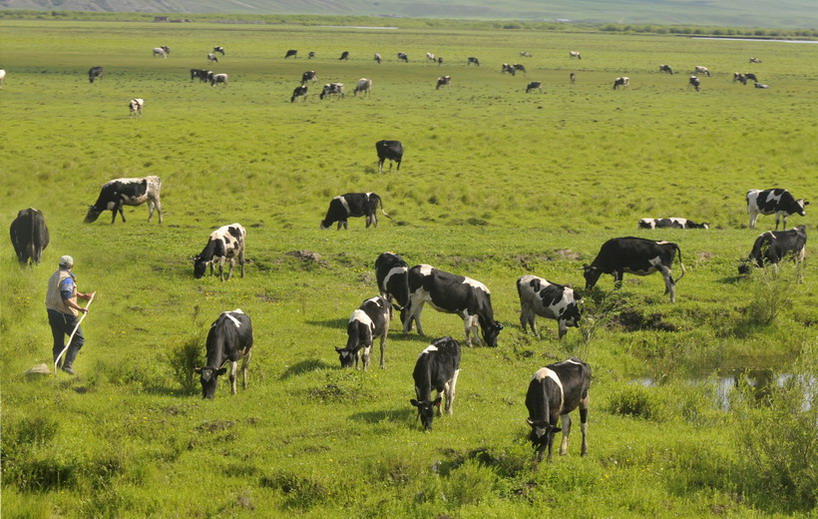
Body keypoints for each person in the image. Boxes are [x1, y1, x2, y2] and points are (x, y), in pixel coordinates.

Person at [46, 255, 94, 375]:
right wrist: (80, 308)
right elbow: (66, 298)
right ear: (71, 266)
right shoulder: (67, 279)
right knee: (79, 339)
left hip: (52, 312)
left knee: (58, 343)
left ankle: (57, 367)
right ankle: (67, 366)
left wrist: (82, 296)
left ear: (60, 265)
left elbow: (61, 291)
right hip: (65, 314)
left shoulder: (54, 275)